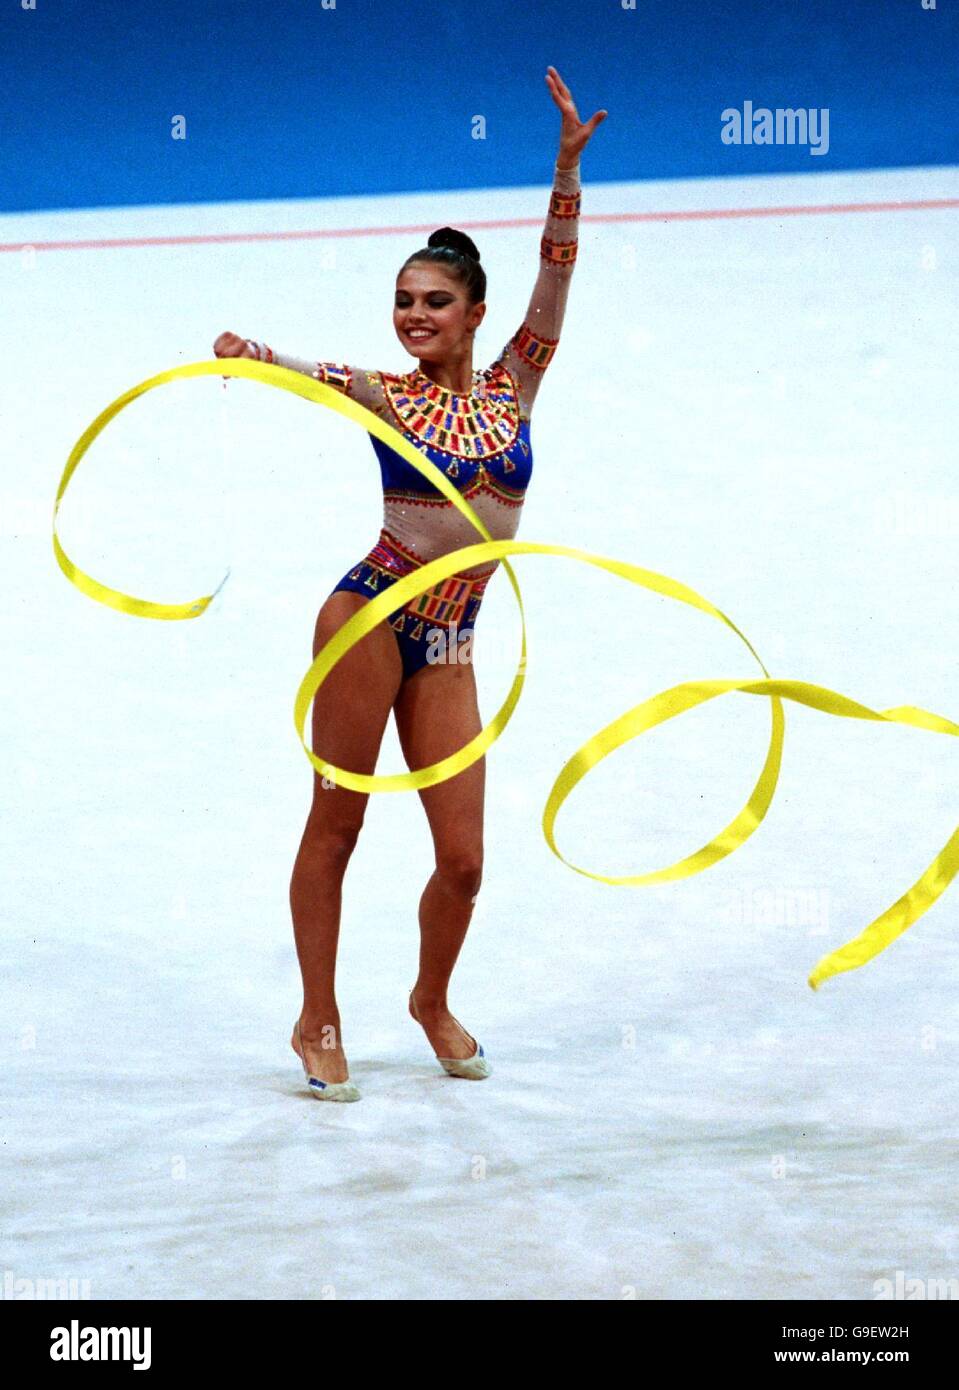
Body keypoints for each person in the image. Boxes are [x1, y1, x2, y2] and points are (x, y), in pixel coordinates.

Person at [214, 67, 607, 1101]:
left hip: (454, 640)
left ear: (476, 313)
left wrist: (564, 172)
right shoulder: (387, 397)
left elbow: (556, 277)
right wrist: (244, 352)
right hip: (369, 619)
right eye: (401, 302)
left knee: (466, 861)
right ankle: (316, 1015)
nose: (413, 315)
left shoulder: (518, 378)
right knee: (337, 822)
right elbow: (304, 371)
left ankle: (427, 999)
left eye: (434, 301)